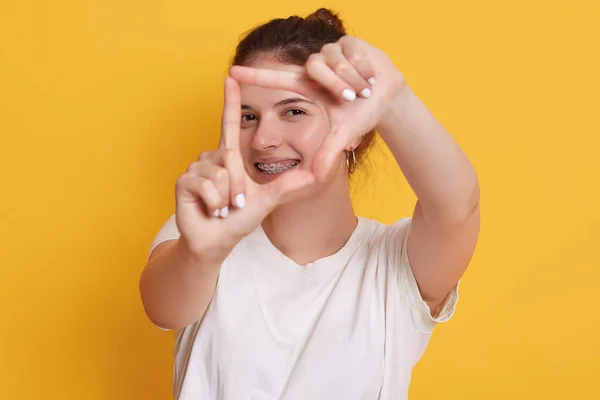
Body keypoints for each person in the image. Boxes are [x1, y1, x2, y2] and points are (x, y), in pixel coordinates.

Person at [139, 7, 480, 400]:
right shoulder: (204, 233)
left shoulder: (397, 265)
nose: (263, 138)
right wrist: (202, 254)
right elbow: (163, 310)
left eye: (294, 111)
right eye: (248, 116)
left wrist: (395, 102)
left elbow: (458, 208)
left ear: (352, 128)